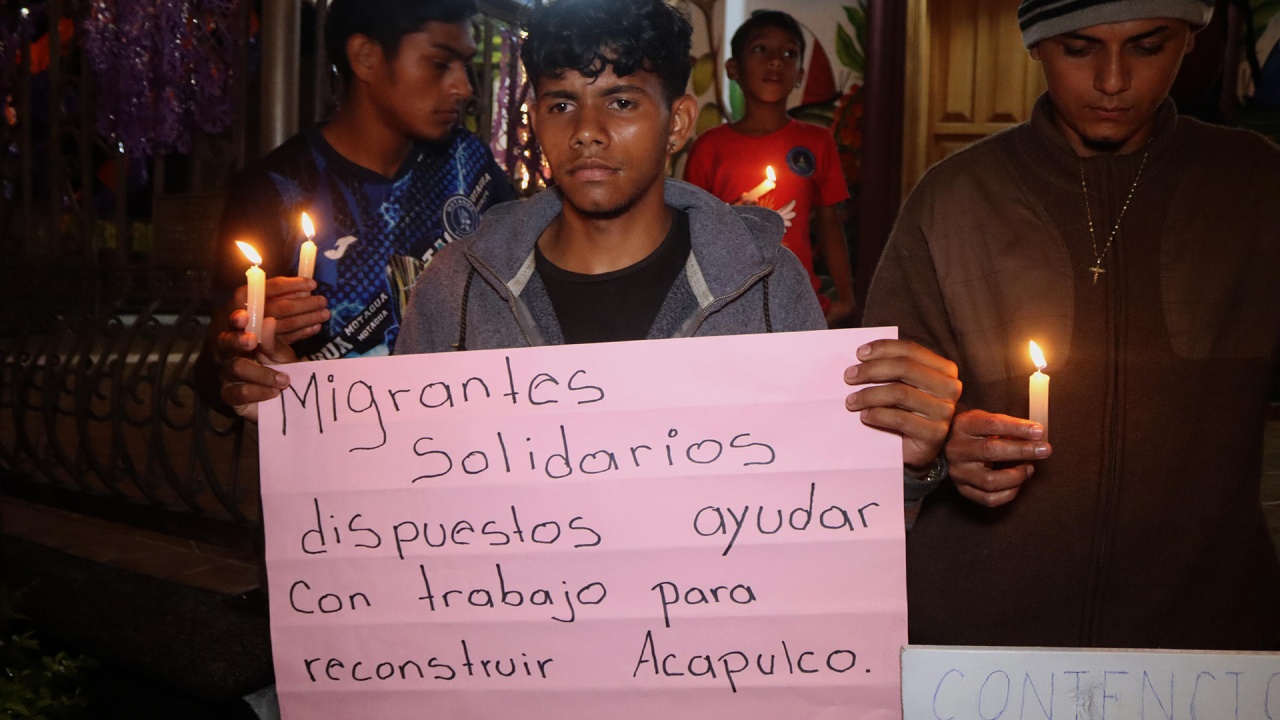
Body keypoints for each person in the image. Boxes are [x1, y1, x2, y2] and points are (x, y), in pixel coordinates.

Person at [220, 0, 961, 505]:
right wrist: (297, 412)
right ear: (534, 118)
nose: (588, 130)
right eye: (561, 101)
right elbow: (394, 483)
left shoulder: (765, 284)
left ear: (677, 123)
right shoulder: (458, 286)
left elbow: (822, 504)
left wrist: (908, 458)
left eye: (622, 100)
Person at [864, 0, 1280, 650]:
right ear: (1035, 45)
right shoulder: (953, 200)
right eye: (1079, 49)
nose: (1113, 80)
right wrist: (941, 455)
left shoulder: (1255, 187)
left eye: (1146, 46)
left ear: (1190, 40)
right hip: (980, 641)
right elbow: (874, 435)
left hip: (1204, 640)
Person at [200, 0, 513, 405]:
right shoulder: (274, 189)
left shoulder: (470, 165)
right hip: (337, 451)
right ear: (365, 58)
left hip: (467, 441)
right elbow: (218, 368)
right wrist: (237, 349)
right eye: (440, 64)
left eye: (465, 65)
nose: (463, 88)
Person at [683, 10, 856, 328]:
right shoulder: (710, 147)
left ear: (800, 74)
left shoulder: (817, 141)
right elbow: (693, 231)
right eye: (761, 49)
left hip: (800, 301)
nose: (776, 61)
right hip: (730, 303)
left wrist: (846, 298)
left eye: (789, 53)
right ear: (733, 68)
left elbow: (830, 223)